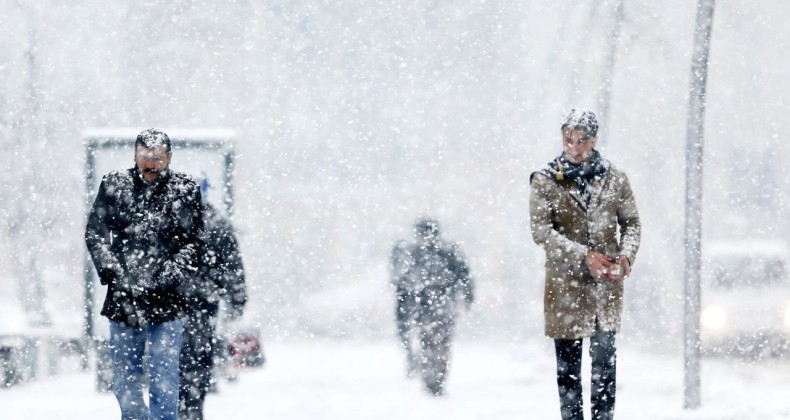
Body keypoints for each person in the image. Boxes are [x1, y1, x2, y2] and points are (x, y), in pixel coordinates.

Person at [529, 109, 641, 420]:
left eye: (582, 141)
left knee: (605, 367)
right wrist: (583, 255)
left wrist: (626, 255)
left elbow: (631, 223)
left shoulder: (615, 179)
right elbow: (541, 231)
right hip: (564, 288)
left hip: (606, 286)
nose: (575, 148)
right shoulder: (547, 179)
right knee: (568, 372)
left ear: (594, 140)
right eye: (569, 140)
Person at [85, 128, 204, 420]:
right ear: (135, 155)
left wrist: (172, 272)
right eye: (145, 157)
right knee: (125, 378)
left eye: (158, 158)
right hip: (124, 297)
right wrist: (114, 271)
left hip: (169, 298)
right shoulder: (114, 185)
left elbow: (196, 242)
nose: (151, 164)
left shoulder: (185, 188)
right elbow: (96, 234)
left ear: (169, 158)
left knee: (164, 376)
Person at [179, 177, 248, 420]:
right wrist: (237, 300)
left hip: (171, 304)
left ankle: (179, 404)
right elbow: (233, 266)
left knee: (171, 357)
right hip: (203, 303)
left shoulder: (169, 220)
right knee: (198, 355)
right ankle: (193, 405)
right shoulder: (217, 223)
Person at [389, 217, 474, 396]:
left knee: (429, 342)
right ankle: (436, 379)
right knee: (440, 344)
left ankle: (431, 379)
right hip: (442, 306)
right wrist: (466, 297)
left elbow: (402, 281)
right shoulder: (447, 251)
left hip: (425, 308)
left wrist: (406, 303)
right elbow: (464, 275)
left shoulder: (415, 253)